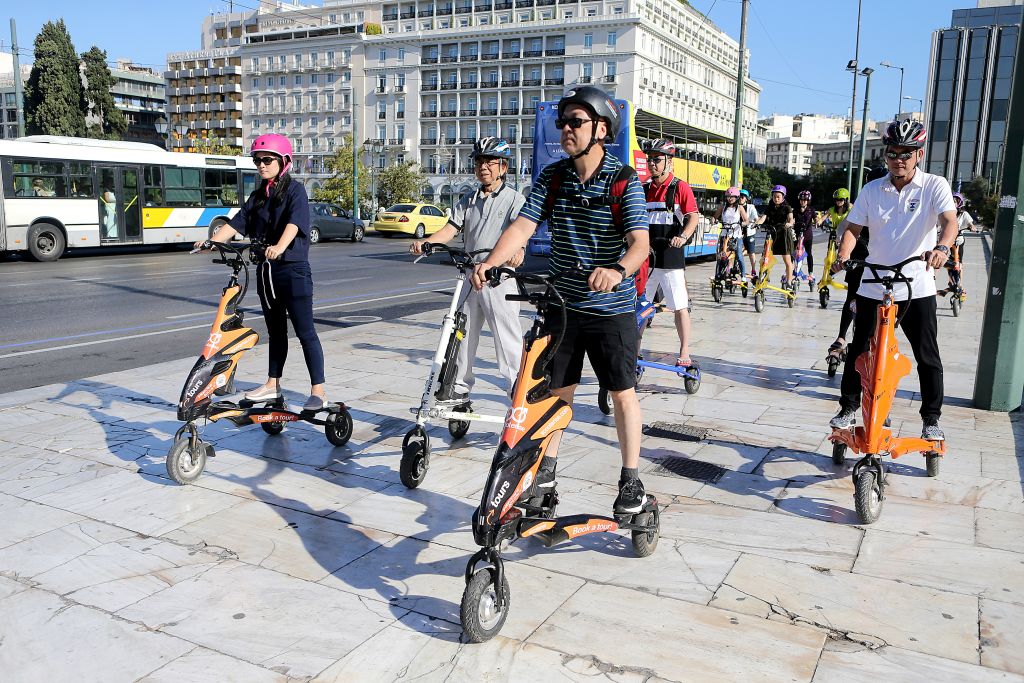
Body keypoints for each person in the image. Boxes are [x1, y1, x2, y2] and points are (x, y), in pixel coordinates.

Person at [470, 86, 650, 515]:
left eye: (576, 122)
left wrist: (618, 270)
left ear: (601, 129)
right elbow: (522, 226)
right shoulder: (553, 177)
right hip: (563, 307)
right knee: (557, 395)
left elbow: (640, 243)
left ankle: (630, 480)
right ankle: (546, 474)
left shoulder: (623, 180)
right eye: (563, 121)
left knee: (622, 393)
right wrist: (492, 263)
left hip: (611, 309)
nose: (566, 129)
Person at [830, 119, 958, 441]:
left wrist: (942, 247)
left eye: (907, 153)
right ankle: (848, 408)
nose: (899, 159)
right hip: (874, 281)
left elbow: (949, 221)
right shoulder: (873, 189)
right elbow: (853, 229)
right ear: (885, 155)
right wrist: (843, 256)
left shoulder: (934, 185)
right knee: (860, 350)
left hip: (917, 283)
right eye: (893, 153)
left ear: (919, 154)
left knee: (927, 355)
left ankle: (931, 418)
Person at [198, 133, 328, 411]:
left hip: (293, 271)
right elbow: (237, 223)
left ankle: (318, 392)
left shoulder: (295, 191)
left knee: (305, 332)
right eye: (257, 160)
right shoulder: (258, 196)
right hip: (266, 272)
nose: (261, 165)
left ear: (284, 161)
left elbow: (295, 223)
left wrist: (280, 246)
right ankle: (273, 384)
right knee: (276, 331)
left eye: (267, 160)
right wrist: (212, 241)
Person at [410, 137, 526, 398]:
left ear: (503, 167)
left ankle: (518, 392)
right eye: (479, 161)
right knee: (461, 334)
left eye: (489, 161)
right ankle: (459, 390)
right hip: (470, 274)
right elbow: (450, 229)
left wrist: (519, 251)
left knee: (506, 338)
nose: (483, 167)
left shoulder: (514, 199)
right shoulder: (468, 199)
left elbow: (520, 232)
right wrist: (426, 243)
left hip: (499, 276)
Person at [642, 138, 701, 366]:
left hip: (670, 255)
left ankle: (684, 352)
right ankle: (634, 351)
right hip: (646, 257)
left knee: (679, 306)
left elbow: (693, 216)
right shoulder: (644, 188)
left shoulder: (679, 187)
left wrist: (683, 236)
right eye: (650, 160)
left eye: (657, 160)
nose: (652, 164)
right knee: (639, 307)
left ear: (668, 161)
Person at [818, 188, 863, 359]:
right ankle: (842, 337)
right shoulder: (860, 209)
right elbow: (846, 231)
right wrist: (842, 257)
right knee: (852, 298)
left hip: (881, 264)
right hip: (858, 258)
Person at [756, 185, 795, 286]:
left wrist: (789, 224)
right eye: (774, 196)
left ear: (783, 197)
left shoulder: (787, 207)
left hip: (783, 233)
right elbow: (763, 217)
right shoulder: (770, 207)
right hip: (772, 233)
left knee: (787, 259)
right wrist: (757, 223)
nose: (776, 199)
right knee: (765, 257)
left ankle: (789, 281)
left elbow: (790, 218)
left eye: (778, 197)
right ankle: (764, 277)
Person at [713, 185, 747, 281]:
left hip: (736, 235)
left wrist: (742, 223)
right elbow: (715, 217)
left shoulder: (740, 208)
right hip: (725, 235)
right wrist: (713, 220)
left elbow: (746, 220)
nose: (730, 199)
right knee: (722, 255)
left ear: (736, 198)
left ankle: (743, 275)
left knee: (739, 256)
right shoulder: (722, 207)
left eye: (732, 197)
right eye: (728, 197)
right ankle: (719, 273)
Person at [794, 190, 817, 277]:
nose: (803, 201)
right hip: (797, 234)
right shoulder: (796, 210)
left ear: (808, 201)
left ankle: (810, 272)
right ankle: (793, 270)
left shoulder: (811, 210)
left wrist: (817, 222)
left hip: (807, 235)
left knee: (808, 253)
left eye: (805, 200)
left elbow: (815, 218)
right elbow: (792, 219)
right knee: (795, 253)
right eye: (801, 200)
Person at [738, 189, 758, 276]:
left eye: (742, 197)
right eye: (738, 197)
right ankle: (733, 268)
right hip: (737, 232)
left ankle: (753, 269)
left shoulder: (751, 207)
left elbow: (756, 218)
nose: (740, 199)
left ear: (746, 198)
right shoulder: (736, 207)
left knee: (751, 252)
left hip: (749, 232)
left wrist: (755, 223)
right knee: (734, 251)